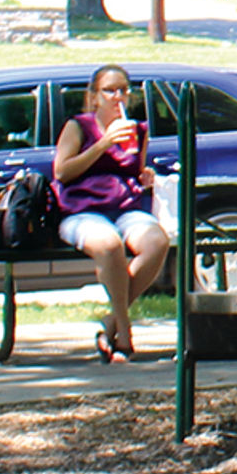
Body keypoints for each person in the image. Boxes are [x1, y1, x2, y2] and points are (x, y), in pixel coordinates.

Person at [56, 63, 172, 363]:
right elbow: (62, 172)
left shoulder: (137, 129)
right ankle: (125, 332)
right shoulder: (79, 126)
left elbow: (133, 170)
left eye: (123, 90)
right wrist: (104, 144)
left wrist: (144, 175)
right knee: (109, 246)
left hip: (125, 207)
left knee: (157, 242)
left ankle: (110, 324)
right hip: (82, 209)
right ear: (95, 96)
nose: (118, 97)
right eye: (110, 90)